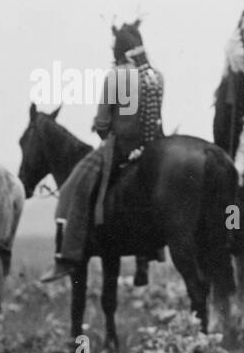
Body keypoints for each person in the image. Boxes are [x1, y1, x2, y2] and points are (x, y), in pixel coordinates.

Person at [40, 21, 164, 284]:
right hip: (153, 146)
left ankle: (67, 256)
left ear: (118, 50)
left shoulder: (116, 76)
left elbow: (103, 123)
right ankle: (148, 256)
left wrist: (101, 128)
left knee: (73, 188)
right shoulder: (155, 77)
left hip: (119, 148)